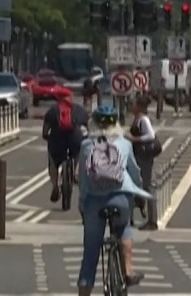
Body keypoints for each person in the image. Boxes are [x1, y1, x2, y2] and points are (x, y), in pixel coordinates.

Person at [75, 104, 149, 295]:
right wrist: (139, 192)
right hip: (120, 197)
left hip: (94, 201)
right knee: (124, 227)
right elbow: (135, 172)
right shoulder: (124, 144)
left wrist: (82, 203)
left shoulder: (86, 145)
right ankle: (128, 269)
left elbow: (82, 178)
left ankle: (84, 291)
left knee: (91, 252)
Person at [42, 92, 89, 204]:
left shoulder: (53, 110)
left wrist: (47, 137)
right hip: (75, 138)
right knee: (78, 151)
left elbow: (45, 131)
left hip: (57, 139)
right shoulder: (80, 110)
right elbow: (88, 128)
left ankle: (55, 186)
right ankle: (76, 172)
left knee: (53, 161)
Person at [128, 94, 160, 224]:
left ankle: (151, 218)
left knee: (145, 184)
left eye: (134, 104)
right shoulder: (137, 119)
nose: (132, 106)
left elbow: (150, 135)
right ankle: (132, 214)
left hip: (143, 157)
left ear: (140, 106)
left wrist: (134, 139)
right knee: (134, 183)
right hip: (137, 155)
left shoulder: (143, 120)